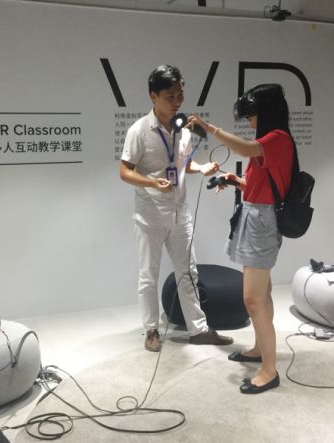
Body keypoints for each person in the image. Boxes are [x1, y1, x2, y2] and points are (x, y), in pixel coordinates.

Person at [186, 84, 294, 393]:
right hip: (255, 216)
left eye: (252, 116)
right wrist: (236, 181)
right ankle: (260, 350)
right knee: (263, 294)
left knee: (252, 299)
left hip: (261, 222)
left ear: (266, 112)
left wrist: (208, 127)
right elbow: (263, 188)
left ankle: (269, 371)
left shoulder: (277, 139)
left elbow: (245, 149)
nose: (250, 121)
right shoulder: (269, 143)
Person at [119, 64, 233, 352]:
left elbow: (183, 163)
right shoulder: (139, 131)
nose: (177, 101)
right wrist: (151, 182)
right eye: (170, 96)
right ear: (153, 96)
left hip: (180, 212)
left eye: (180, 94)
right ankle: (151, 330)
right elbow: (124, 171)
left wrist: (201, 168)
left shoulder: (184, 129)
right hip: (149, 214)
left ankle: (199, 329)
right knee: (149, 274)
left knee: (188, 272)